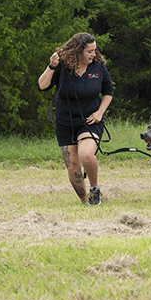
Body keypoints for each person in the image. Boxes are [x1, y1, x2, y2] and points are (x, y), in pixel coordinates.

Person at [38, 33, 114, 205]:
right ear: (78, 51)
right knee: (73, 167)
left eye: (94, 50)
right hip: (65, 122)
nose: (93, 54)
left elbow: (109, 91)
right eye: (89, 51)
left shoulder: (98, 68)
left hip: (90, 121)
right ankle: (85, 201)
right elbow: (41, 86)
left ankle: (95, 189)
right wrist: (51, 66)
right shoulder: (62, 66)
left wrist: (100, 112)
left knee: (86, 154)